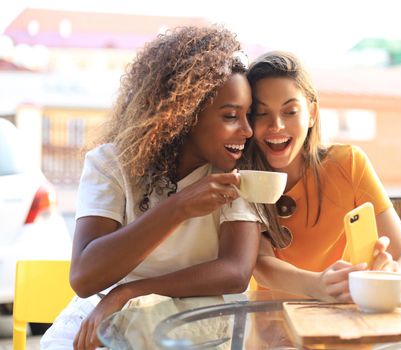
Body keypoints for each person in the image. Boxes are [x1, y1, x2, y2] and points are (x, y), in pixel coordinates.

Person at [41, 26, 262, 350]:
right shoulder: (112, 164)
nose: (247, 130)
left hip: (194, 315)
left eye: (247, 115)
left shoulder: (239, 172)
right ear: (184, 115)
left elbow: (236, 271)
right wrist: (178, 208)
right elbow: (85, 277)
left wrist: (131, 290)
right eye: (231, 116)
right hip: (106, 310)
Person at [243, 51, 401, 302]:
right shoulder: (244, 176)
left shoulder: (348, 163)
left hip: (344, 317)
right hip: (271, 326)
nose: (276, 125)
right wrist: (317, 285)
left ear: (312, 114)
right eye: (262, 113)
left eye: (290, 111)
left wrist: (394, 279)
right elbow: (261, 265)